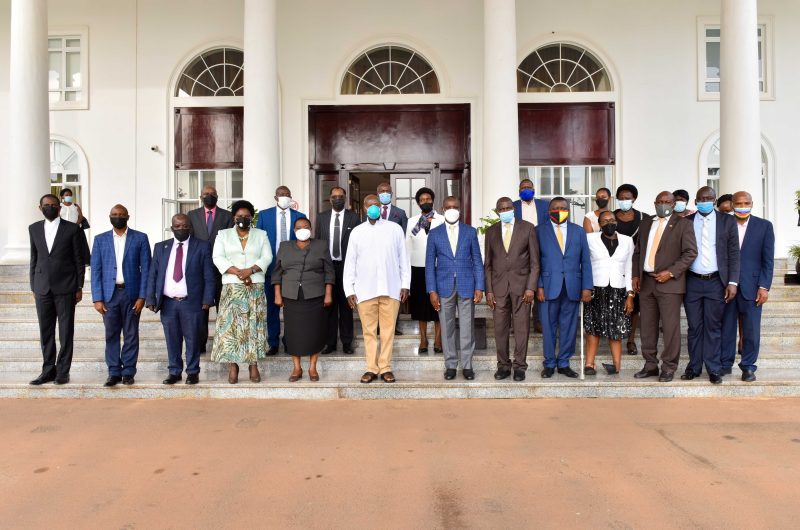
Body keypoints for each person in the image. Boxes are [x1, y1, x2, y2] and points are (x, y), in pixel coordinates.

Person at [343, 194, 410, 384]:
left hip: (391, 288)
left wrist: (405, 284)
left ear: (381, 207)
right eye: (369, 204)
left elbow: (404, 260)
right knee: (369, 332)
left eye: (376, 204)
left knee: (388, 332)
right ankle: (371, 368)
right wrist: (349, 290)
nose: (373, 207)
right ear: (364, 208)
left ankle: (386, 368)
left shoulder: (395, 229)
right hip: (365, 289)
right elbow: (350, 263)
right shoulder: (357, 232)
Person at [631, 191, 697, 382]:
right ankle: (650, 365)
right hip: (646, 283)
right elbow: (638, 252)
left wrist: (670, 272)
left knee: (670, 328)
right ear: (654, 203)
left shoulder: (683, 224)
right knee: (647, 327)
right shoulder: (645, 223)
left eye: (667, 202)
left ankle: (668, 367)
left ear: (674, 203)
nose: (663, 204)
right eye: (659, 201)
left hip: (670, 283)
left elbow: (690, 253)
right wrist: (636, 274)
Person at [146, 214, 215, 385]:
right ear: (172, 228)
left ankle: (192, 372)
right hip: (168, 302)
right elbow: (153, 275)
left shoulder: (202, 246)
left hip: (192, 302)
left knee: (193, 339)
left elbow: (209, 276)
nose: (181, 229)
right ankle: (174, 371)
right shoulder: (161, 247)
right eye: (177, 226)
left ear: (190, 227)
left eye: (185, 226)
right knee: (172, 339)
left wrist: (207, 299)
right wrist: (150, 298)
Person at [681, 186, 740, 384]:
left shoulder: (728, 221)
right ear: (696, 201)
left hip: (717, 281)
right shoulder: (686, 222)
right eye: (701, 198)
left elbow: (734, 253)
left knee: (713, 327)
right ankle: (694, 367)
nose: (705, 201)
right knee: (694, 327)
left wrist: (732, 282)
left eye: (709, 198)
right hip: (692, 281)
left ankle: (713, 369)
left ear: (714, 200)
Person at [28, 194, 88, 385]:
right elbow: (34, 257)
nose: (50, 207)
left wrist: (79, 286)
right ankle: (47, 370)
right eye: (47, 205)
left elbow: (79, 260)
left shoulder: (72, 229)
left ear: (60, 207)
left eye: (54, 205)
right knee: (45, 332)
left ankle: (63, 371)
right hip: (42, 287)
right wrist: (33, 285)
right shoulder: (34, 228)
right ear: (40, 207)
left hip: (66, 287)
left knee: (65, 331)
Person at [211, 201, 272, 383]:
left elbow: (267, 256)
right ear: (233, 218)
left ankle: (253, 366)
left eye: (246, 216)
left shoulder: (261, 235)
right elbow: (217, 257)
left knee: (253, 327)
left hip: (254, 287)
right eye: (239, 216)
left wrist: (251, 270)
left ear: (251, 218)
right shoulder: (223, 234)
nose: (242, 219)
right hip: (231, 287)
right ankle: (233, 366)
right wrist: (237, 271)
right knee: (231, 329)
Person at [90, 204, 151, 386]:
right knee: (111, 334)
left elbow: (146, 269)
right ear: (109, 216)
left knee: (131, 334)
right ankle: (114, 371)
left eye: (121, 214)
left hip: (131, 295)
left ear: (128, 216)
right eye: (115, 214)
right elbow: (96, 271)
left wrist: (142, 297)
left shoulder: (140, 238)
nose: (118, 217)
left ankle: (129, 371)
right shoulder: (100, 240)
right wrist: (97, 298)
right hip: (110, 295)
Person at [425, 196, 484, 381]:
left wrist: (480, 286)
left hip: (467, 285)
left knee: (467, 328)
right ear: (443, 209)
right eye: (448, 206)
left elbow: (477, 261)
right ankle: (450, 365)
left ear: (460, 209)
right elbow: (429, 265)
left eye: (455, 207)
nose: (452, 209)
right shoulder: (434, 234)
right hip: (443, 287)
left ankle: (467, 366)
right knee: (447, 327)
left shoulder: (470, 232)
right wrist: (432, 291)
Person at [536, 197, 593, 378]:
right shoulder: (539, 231)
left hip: (572, 286)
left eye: (563, 207)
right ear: (549, 211)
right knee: (548, 326)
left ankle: (564, 362)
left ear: (568, 210)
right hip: (548, 286)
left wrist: (587, 287)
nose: (559, 210)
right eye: (555, 208)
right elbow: (535, 262)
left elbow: (586, 261)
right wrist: (539, 285)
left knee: (568, 327)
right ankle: (550, 363)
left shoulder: (579, 231)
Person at [484, 196, 540, 381]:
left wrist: (531, 288)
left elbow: (535, 263)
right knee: (499, 329)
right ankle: (503, 366)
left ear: (513, 209)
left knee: (522, 328)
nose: (506, 210)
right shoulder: (491, 231)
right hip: (498, 288)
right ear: (498, 211)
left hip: (522, 288)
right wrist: (489, 290)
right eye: (502, 208)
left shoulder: (528, 228)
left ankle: (520, 366)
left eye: (508, 207)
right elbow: (488, 264)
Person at [272, 218, 335, 381]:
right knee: (293, 334)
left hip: (315, 295)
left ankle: (312, 368)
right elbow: (277, 273)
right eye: (299, 227)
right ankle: (296, 368)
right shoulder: (285, 246)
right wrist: (277, 294)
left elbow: (329, 271)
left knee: (315, 331)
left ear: (311, 229)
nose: (302, 229)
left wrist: (328, 294)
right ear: (294, 230)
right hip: (291, 295)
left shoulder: (321, 245)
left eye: (306, 227)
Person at [721, 191, 774, 381]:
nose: (743, 206)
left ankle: (748, 366)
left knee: (751, 329)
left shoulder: (764, 226)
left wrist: (764, 286)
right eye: (739, 203)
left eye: (746, 203)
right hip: (726, 285)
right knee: (726, 327)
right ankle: (725, 364)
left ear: (752, 203)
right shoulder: (724, 223)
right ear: (732, 204)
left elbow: (768, 261)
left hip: (752, 287)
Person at [255, 186, 306, 355]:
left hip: (293, 270)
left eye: (287, 195)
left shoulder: (300, 217)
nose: (285, 197)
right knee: (272, 308)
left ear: (291, 198)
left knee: (292, 308)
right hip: (271, 268)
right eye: (282, 194)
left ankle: (290, 340)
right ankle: (273, 342)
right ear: (275, 197)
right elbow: (258, 242)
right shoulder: (264, 215)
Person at [583, 211, 635, 375]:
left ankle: (616, 366)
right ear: (599, 224)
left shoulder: (627, 241)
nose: (609, 223)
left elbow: (629, 268)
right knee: (593, 328)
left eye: (612, 220)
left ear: (617, 222)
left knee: (616, 330)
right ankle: (590, 364)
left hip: (618, 290)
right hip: (595, 289)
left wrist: (630, 295)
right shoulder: (589, 239)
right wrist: (585, 287)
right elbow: (584, 264)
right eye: (604, 221)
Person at [187, 184, 234, 353]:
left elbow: (230, 241)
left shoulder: (227, 216)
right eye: (206, 194)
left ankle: (224, 343)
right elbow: (189, 241)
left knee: (224, 309)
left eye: (212, 194)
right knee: (201, 311)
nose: (209, 196)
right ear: (200, 197)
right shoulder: (192, 215)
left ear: (217, 197)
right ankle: (200, 345)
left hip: (221, 271)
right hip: (199, 270)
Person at [315, 186, 360, 354]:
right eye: (334, 196)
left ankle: (347, 343)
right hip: (327, 267)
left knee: (346, 306)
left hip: (347, 267)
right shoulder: (321, 218)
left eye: (340, 196)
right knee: (329, 307)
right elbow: (318, 242)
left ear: (345, 198)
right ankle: (330, 343)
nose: (337, 199)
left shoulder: (354, 217)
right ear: (330, 198)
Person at [405, 187, 444, 354]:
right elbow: (407, 247)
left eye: (428, 199)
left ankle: (438, 339)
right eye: (422, 200)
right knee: (420, 306)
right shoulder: (411, 221)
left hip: (438, 268)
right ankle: (422, 339)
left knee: (438, 306)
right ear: (418, 203)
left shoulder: (442, 219)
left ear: (432, 200)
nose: (425, 202)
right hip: (417, 269)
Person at [613, 183, 648, 356]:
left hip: (636, 266)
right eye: (621, 198)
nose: (624, 201)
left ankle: (631, 339)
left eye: (628, 198)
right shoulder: (610, 217)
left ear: (634, 199)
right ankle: (615, 337)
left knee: (635, 304)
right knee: (616, 302)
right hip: (615, 266)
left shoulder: (644, 218)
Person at [514, 178, 550, 334]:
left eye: (529, 187)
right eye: (523, 187)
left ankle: (538, 321)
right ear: (519, 191)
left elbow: (549, 226)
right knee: (521, 285)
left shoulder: (544, 205)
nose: (526, 189)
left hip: (540, 246)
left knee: (539, 283)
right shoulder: (513, 206)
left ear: (534, 189)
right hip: (520, 250)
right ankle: (518, 323)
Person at [376, 180, 408, 336]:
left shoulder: (400, 213)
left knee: (393, 294)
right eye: (381, 191)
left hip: (394, 261)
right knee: (377, 293)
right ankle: (376, 326)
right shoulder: (372, 212)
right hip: (375, 260)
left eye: (387, 191)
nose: (384, 193)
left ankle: (394, 325)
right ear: (377, 194)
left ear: (392, 194)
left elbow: (404, 236)